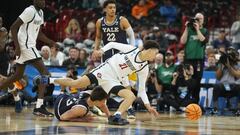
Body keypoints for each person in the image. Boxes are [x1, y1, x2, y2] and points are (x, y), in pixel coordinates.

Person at [54, 40, 159, 125]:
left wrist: (148, 106)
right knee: (77, 83)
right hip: (105, 70)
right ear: (149, 50)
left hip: (113, 80)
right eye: (155, 53)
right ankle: (49, 80)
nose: (155, 56)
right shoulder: (132, 50)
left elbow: (141, 90)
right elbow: (112, 44)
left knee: (130, 96)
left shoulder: (144, 67)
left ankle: (116, 117)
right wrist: (101, 51)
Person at [0, 0, 56, 116]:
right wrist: (17, 47)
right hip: (25, 46)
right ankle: (39, 106)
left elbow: (39, 34)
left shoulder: (40, 13)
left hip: (29, 46)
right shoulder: (29, 10)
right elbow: (13, 27)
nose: (44, 2)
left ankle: (38, 106)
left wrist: (51, 41)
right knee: (45, 73)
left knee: (17, 76)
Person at [180, 12, 209, 104]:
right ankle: (186, 101)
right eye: (196, 18)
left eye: (200, 18)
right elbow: (182, 41)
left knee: (197, 81)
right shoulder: (189, 30)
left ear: (203, 21)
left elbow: (203, 40)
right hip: (188, 59)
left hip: (199, 60)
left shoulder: (205, 31)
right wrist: (186, 28)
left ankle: (195, 102)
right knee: (188, 80)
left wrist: (197, 29)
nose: (198, 20)